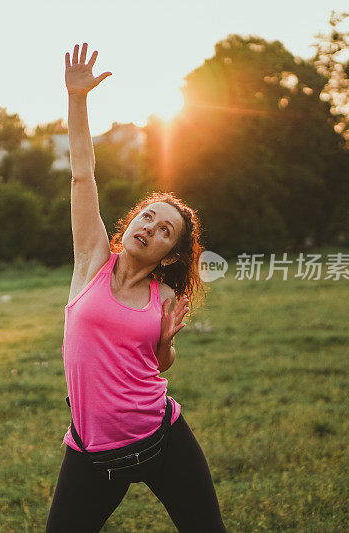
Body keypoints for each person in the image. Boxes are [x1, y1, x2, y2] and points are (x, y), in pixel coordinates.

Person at [45, 43, 227, 532]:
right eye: (149, 215)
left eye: (165, 229)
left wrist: (166, 342)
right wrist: (77, 99)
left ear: (168, 254)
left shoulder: (164, 300)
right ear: (132, 223)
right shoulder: (91, 262)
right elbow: (83, 175)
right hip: (92, 454)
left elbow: (159, 365)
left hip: (163, 439)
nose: (151, 226)